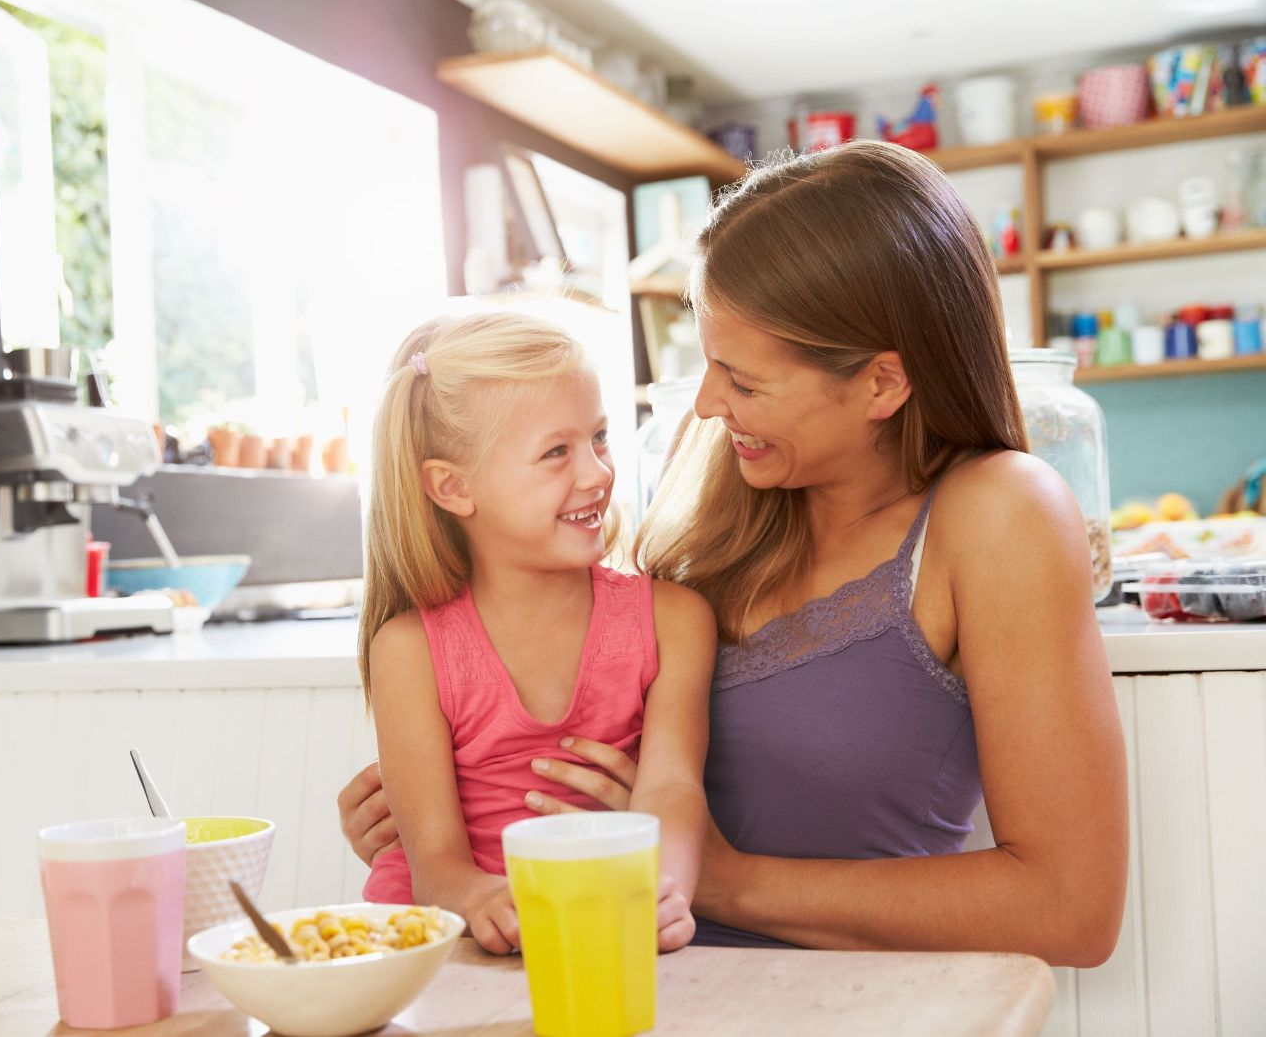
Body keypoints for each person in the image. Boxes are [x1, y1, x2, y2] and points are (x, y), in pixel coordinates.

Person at [339, 141, 1129, 967]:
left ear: (881, 384)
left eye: (744, 381)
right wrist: (448, 834)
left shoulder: (999, 515)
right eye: (707, 363)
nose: (710, 403)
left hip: (845, 1006)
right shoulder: (724, 463)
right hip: (622, 975)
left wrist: (721, 880)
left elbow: (1069, 911)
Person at [357, 311, 718, 955]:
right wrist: (482, 899)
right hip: (442, 948)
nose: (598, 473)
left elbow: (672, 787)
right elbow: (434, 864)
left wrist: (663, 890)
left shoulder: (675, 619)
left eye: (600, 438)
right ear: (452, 487)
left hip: (603, 923)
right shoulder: (409, 651)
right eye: (557, 452)